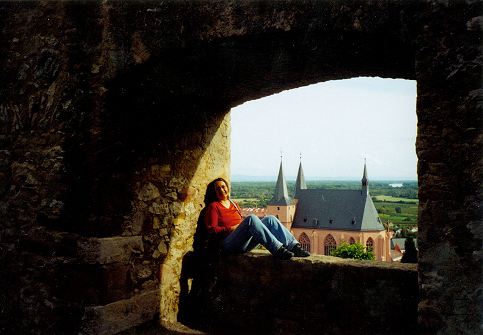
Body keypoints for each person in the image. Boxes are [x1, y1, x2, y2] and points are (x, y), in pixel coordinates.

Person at [204, 177, 310, 259]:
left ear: (227, 187)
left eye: (223, 186)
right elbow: (211, 231)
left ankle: (294, 247)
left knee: (270, 219)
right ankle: (277, 249)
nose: (222, 190)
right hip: (228, 244)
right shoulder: (214, 206)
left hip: (242, 242)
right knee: (251, 218)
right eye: (218, 189)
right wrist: (230, 229)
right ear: (215, 192)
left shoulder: (234, 204)